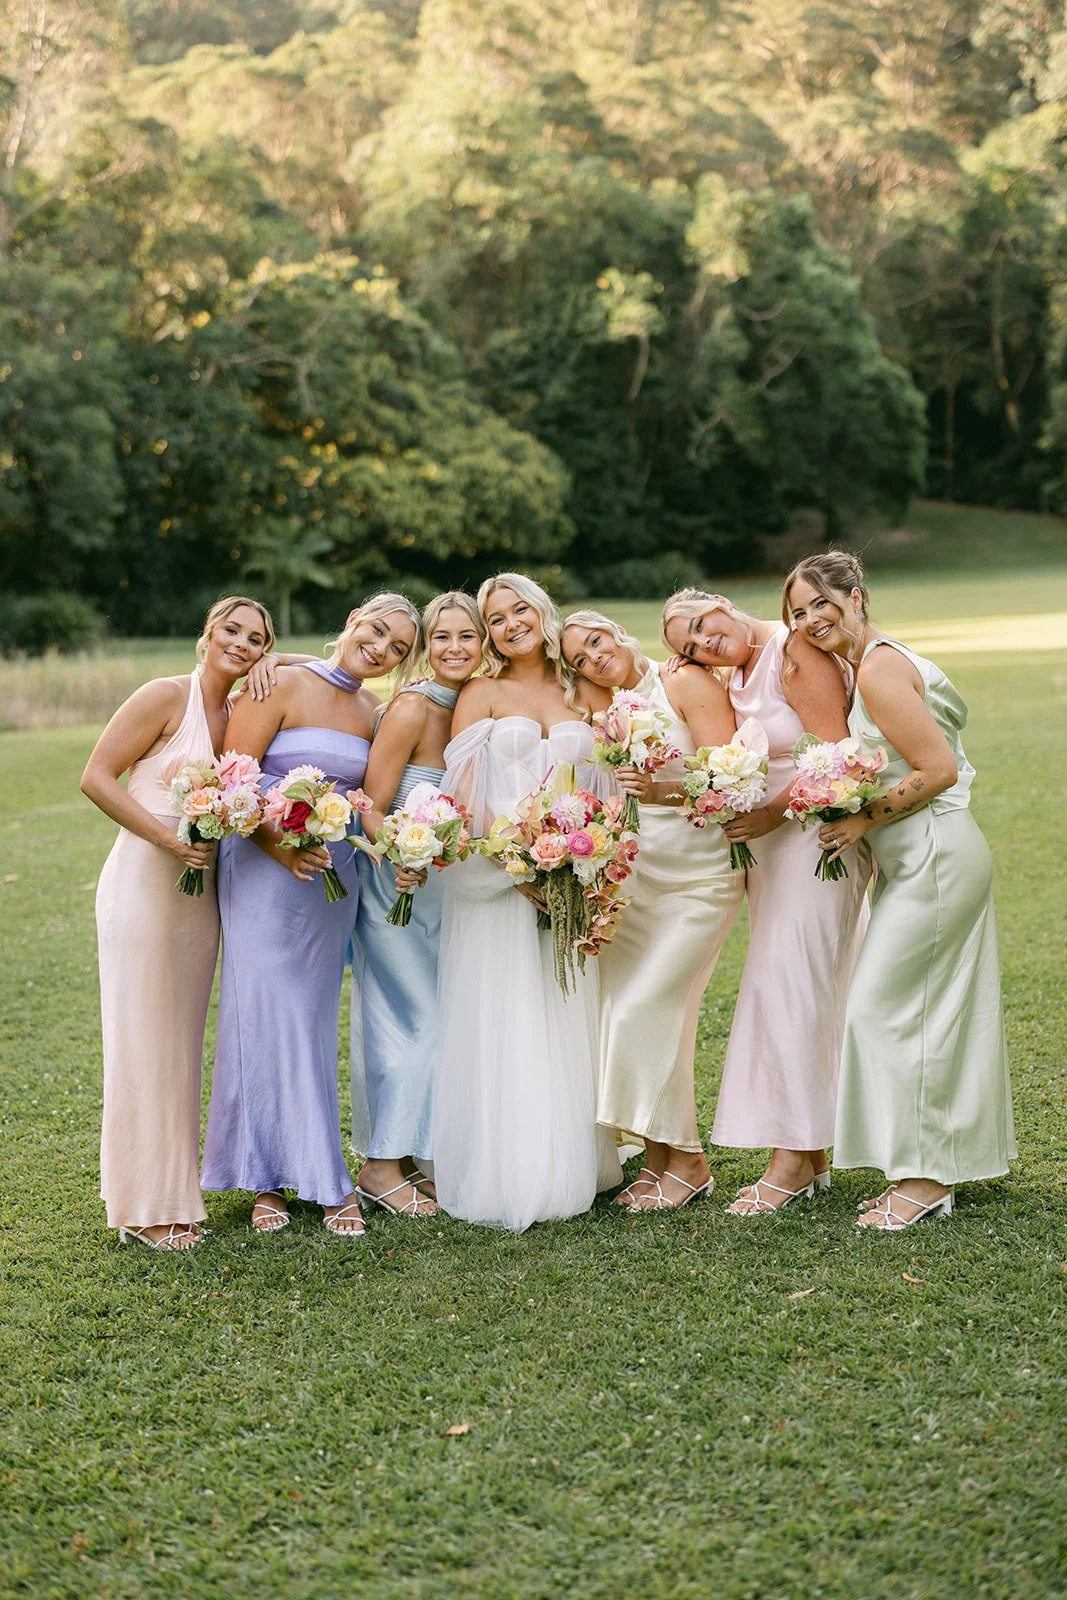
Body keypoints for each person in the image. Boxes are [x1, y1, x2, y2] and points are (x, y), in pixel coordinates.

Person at [784, 552, 1015, 1229]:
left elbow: (937, 768)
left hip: (934, 857)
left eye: (820, 603)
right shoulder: (868, 664)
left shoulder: (879, 668)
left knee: (881, 1010)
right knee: (924, 1012)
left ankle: (924, 1179)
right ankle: (926, 1166)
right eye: (797, 613)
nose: (810, 620)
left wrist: (861, 818)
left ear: (855, 595)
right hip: (917, 863)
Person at [200, 595, 422, 1238]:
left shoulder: (375, 710)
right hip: (263, 870)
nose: (381, 649)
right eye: (376, 630)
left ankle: (293, 1168)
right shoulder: (278, 684)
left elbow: (370, 797)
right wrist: (280, 846)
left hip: (332, 879)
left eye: (398, 648)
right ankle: (278, 1179)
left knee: (313, 1021)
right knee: (264, 1015)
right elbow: (233, 784)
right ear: (353, 620)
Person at [661, 588, 870, 1214]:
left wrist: (771, 816)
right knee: (790, 984)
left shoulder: (794, 650)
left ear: (721, 602)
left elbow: (836, 755)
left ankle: (791, 1162)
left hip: (813, 837)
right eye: (691, 647)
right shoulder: (737, 672)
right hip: (773, 848)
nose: (704, 643)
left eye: (701, 625)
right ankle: (810, 1151)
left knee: (791, 985)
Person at [82, 596, 274, 1250]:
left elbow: (318, 664)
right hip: (144, 882)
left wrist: (280, 662)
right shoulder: (165, 696)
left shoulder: (239, 712)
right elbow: (96, 777)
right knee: (142, 1041)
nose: (241, 643)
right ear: (207, 634)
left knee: (180, 1046)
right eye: (231, 630)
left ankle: (171, 1194)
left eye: (256, 638)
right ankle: (142, 1209)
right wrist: (168, 840)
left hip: (198, 897)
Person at [433, 574, 622, 1232]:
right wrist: (518, 864)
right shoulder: (480, 691)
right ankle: (508, 1168)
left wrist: (581, 859)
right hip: (496, 877)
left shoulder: (584, 689)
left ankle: (570, 1158)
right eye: (496, 618)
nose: (511, 623)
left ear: (542, 612)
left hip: (571, 874)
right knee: (505, 1013)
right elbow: (461, 792)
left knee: (563, 1010)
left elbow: (606, 780)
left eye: (520, 609)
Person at [560, 609, 744, 1210]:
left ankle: (687, 1160)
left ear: (617, 632)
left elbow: (734, 778)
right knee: (630, 1012)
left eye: (596, 642)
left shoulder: (684, 682)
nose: (594, 659)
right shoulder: (608, 708)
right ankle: (662, 1159)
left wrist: (664, 790)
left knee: (648, 1005)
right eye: (580, 659)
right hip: (640, 881)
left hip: (701, 876)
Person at [349, 592, 486, 1218]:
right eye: (441, 637)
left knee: (435, 1021)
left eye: (467, 636)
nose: (454, 648)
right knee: (418, 1020)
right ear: (427, 648)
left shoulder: (479, 705)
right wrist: (401, 851)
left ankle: (405, 1158)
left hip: (446, 892)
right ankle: (379, 1166)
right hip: (394, 888)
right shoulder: (411, 707)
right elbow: (370, 806)